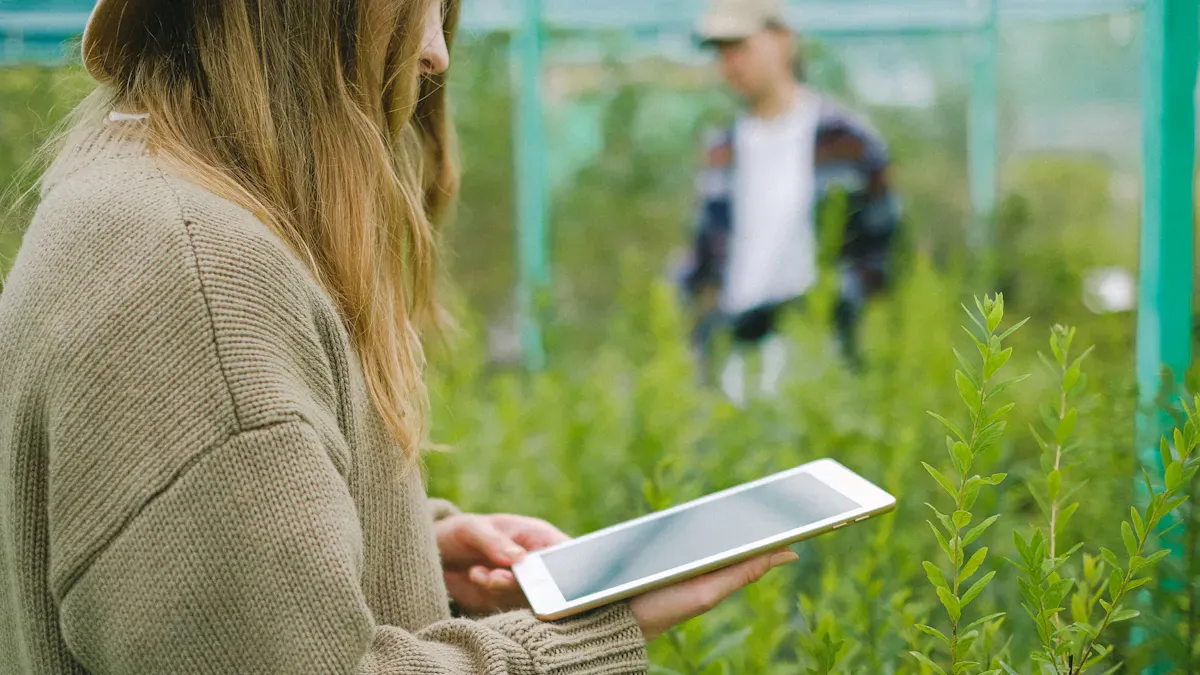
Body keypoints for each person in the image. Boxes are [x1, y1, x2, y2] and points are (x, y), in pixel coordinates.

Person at [0, 1, 799, 673]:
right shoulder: (195, 276)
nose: (434, 52)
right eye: (415, 7)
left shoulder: (134, 208)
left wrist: (412, 550)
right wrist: (581, 634)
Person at [682, 0, 901, 401]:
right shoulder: (722, 151)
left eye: (740, 46)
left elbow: (882, 255)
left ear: (783, 41)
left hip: (823, 356)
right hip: (736, 362)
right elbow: (702, 258)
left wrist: (807, 310)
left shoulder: (847, 143)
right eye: (721, 52)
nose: (730, 63)